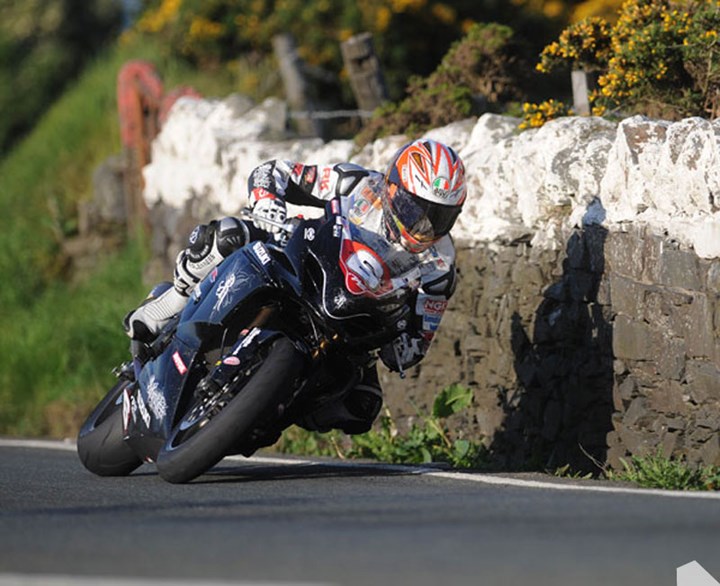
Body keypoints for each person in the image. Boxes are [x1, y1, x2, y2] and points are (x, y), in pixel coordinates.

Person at [123, 138, 467, 434]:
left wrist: (400, 338)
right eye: (415, 209)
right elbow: (272, 173)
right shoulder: (357, 184)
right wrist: (268, 205)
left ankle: (265, 414)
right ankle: (172, 301)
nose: (424, 226)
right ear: (392, 188)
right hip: (306, 262)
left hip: (353, 319)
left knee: (362, 405)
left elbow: (417, 342)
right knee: (229, 234)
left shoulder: (441, 264)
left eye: (438, 217)